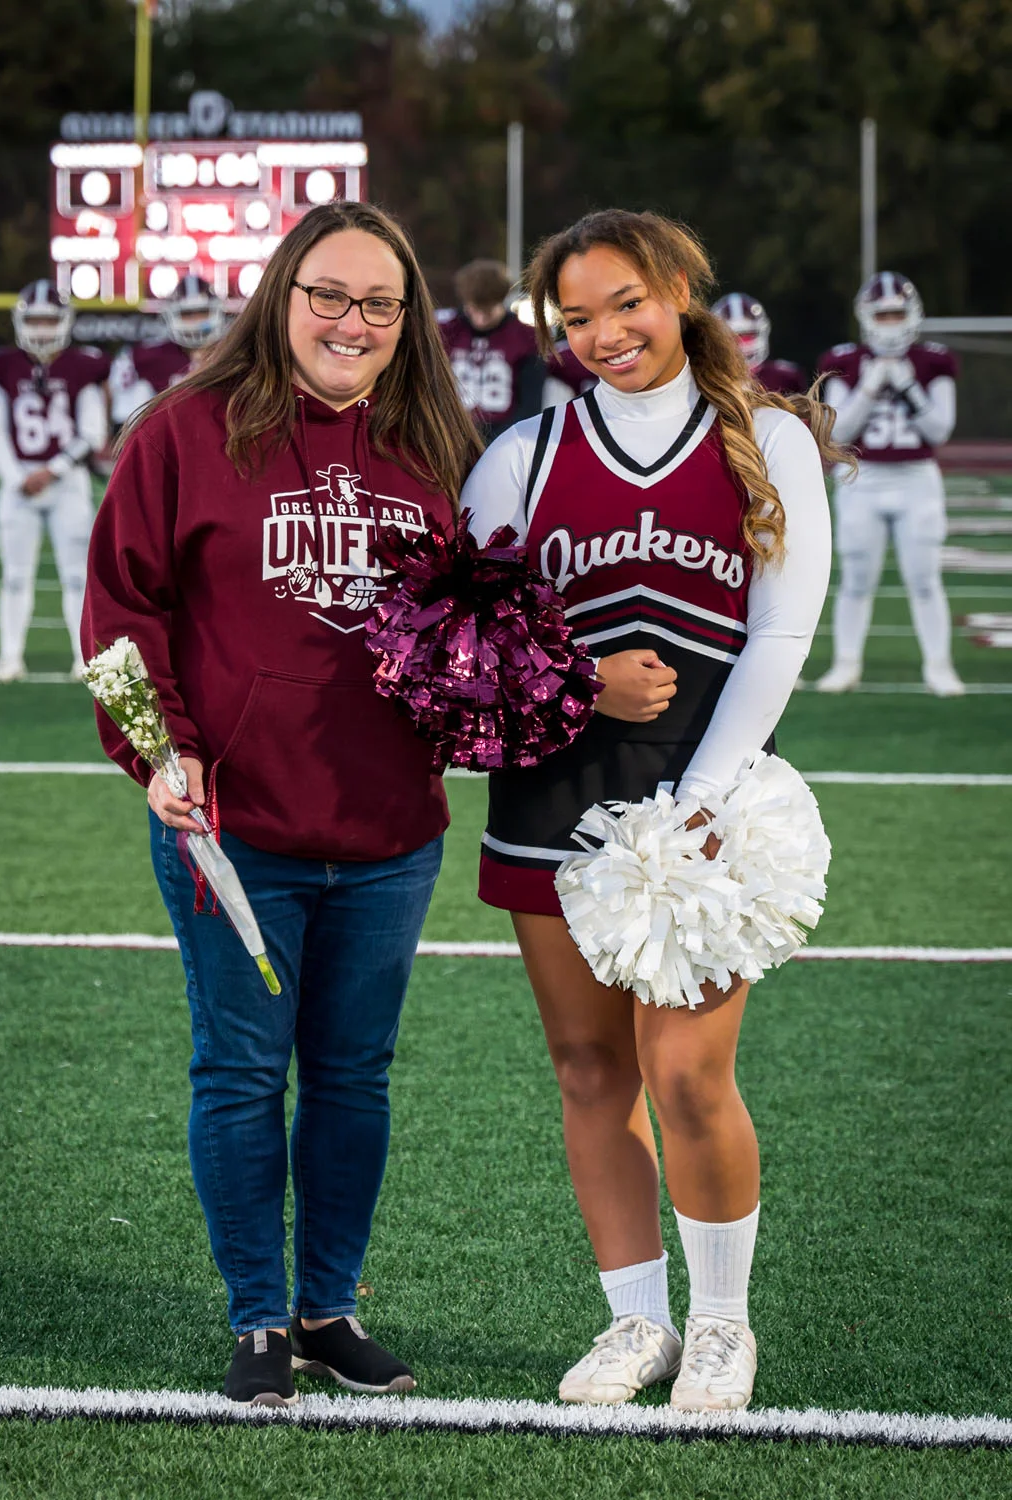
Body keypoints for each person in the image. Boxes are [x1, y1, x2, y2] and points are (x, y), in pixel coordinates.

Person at [83, 201, 482, 1407]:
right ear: (281, 295)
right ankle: (258, 1318)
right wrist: (161, 751)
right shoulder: (184, 431)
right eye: (328, 294)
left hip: (387, 833)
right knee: (242, 1077)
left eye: (377, 302)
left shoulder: (440, 446)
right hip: (233, 831)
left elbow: (485, 621)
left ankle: (329, 1307)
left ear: (404, 318)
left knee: (355, 1077)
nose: (350, 322)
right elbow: (116, 617)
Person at [461, 209, 839, 1411]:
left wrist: (703, 799)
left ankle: (723, 1323)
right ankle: (637, 1325)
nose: (604, 334)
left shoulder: (762, 438)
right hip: (551, 797)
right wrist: (582, 684)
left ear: (677, 287)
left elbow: (779, 631)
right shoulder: (524, 449)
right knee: (586, 1071)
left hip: (703, 795)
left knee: (685, 1073)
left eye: (625, 303)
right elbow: (470, 635)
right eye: (574, 319)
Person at [815, 271, 962, 696]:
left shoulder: (933, 360)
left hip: (918, 479)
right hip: (863, 477)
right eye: (884, 315)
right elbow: (838, 434)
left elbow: (939, 431)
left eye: (898, 314)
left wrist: (908, 388)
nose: (891, 323)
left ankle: (939, 665)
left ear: (913, 316)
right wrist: (871, 386)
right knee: (857, 578)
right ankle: (846, 664)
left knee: (925, 577)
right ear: (866, 317)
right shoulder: (843, 360)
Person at [0, 280, 109, 681]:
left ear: (64, 322)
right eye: (33, 321)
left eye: (47, 320)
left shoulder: (82, 366)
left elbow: (93, 432)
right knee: (15, 575)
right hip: (18, 482)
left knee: (76, 575)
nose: (40, 329)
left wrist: (51, 470)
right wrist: (17, 476)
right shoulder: (4, 365)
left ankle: (82, 658)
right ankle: (10, 657)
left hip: (66, 484)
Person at [438, 258, 545, 442]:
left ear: (501, 301)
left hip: (503, 437)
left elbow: (530, 404)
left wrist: (503, 442)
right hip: (450, 437)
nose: (479, 319)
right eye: (473, 310)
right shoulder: (446, 332)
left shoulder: (525, 337)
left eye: (487, 312)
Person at [109, 275, 227, 427]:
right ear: (171, 316)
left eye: (202, 312)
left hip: (221, 433)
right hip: (165, 436)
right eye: (188, 314)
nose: (196, 321)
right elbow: (122, 412)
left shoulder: (233, 352)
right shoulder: (146, 358)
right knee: (139, 390)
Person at [712, 292, 806, 395]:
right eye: (732, 336)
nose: (743, 343)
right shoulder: (708, 379)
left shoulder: (786, 378)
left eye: (748, 334)